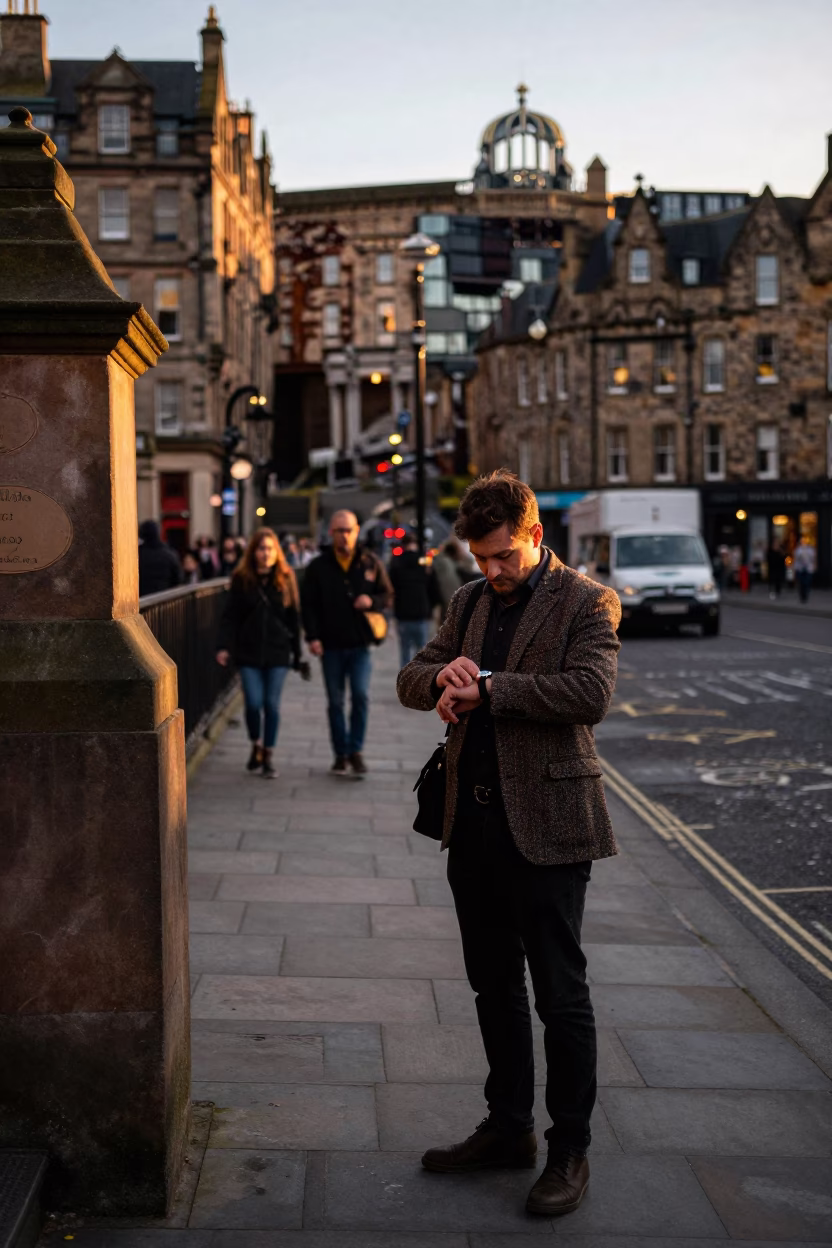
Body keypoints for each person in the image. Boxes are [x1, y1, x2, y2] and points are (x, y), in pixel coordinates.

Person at [397, 470, 620, 1218]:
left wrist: (488, 685)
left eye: (503, 557)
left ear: (534, 536)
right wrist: (442, 677)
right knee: (493, 986)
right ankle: (508, 1127)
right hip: (475, 826)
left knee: (561, 996)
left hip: (552, 827)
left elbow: (588, 693)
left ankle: (570, 1150)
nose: (491, 572)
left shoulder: (587, 601)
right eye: (480, 558)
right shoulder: (464, 599)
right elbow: (411, 675)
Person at [301, 509, 393, 776]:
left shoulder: (369, 562)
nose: (344, 536)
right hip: (330, 645)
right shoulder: (319, 566)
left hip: (360, 643)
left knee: (361, 696)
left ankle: (356, 751)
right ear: (331, 533)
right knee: (336, 702)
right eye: (339, 530)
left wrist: (371, 602)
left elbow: (387, 594)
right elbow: (309, 606)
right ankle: (340, 753)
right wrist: (312, 637)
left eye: (349, 530)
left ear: (356, 532)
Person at [216, 527, 302, 779]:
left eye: (270, 549)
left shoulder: (286, 578)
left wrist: (297, 654)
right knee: (253, 704)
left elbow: (294, 617)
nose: (266, 554)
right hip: (248, 651)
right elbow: (230, 616)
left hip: (277, 652)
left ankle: (268, 753)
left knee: (271, 705)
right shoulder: (242, 579)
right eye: (261, 549)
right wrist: (222, 646)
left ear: (277, 552)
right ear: (253, 552)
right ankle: (255, 743)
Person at [389, 534, 438, 668]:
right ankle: (420, 679)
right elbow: (433, 585)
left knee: (405, 650)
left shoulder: (397, 561)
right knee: (422, 650)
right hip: (421, 610)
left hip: (403, 613)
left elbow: (391, 586)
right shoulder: (423, 560)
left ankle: (405, 681)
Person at [138, 519, 182, 596]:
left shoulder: (138, 554)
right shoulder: (169, 554)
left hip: (142, 599)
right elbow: (177, 579)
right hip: (164, 598)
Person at [793, 535, 817, 603]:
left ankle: (806, 595)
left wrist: (814, 566)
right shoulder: (798, 550)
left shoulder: (810, 550)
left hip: (808, 569)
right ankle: (802, 596)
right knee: (801, 583)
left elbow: (813, 559)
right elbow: (796, 559)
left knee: (807, 583)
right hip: (800, 569)